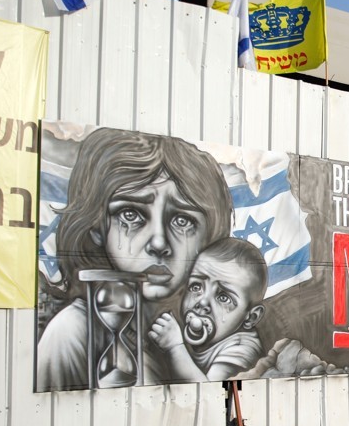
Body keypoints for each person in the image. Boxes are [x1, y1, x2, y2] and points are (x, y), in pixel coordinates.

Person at [36, 128, 233, 391]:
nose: (159, 243)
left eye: (182, 220)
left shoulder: (199, 330)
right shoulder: (73, 331)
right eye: (130, 214)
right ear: (97, 227)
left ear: (206, 237)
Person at [148, 237, 267, 382]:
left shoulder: (242, 347)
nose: (202, 302)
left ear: (250, 317)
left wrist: (175, 347)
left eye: (223, 297)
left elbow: (211, 394)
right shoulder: (207, 336)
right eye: (196, 287)